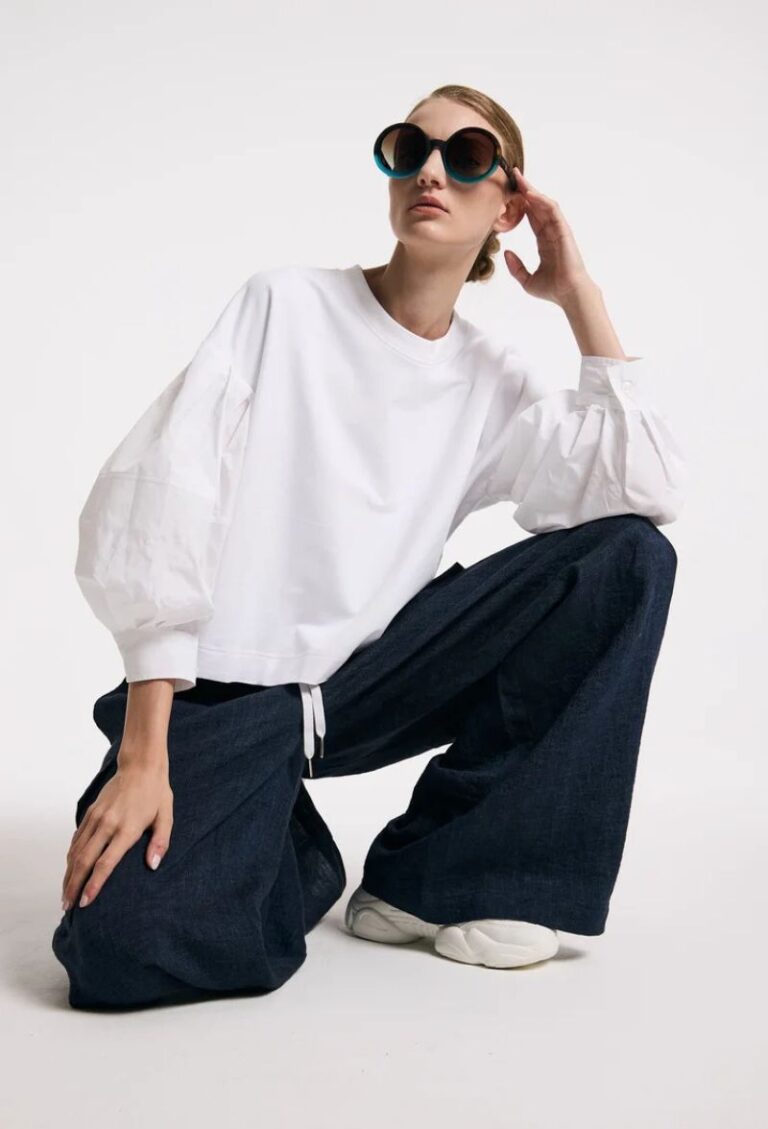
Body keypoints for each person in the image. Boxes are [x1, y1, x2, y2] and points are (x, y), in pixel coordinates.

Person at [51, 84, 687, 1010]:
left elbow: (646, 492)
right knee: (121, 956)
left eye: (467, 157)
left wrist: (577, 295)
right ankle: (287, 838)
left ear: (508, 204)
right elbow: (163, 500)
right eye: (408, 148)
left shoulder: (495, 378)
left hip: (369, 683)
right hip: (228, 693)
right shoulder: (285, 305)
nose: (430, 171)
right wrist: (145, 752)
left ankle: (441, 878)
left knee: (626, 559)